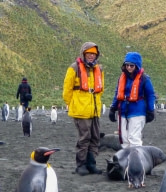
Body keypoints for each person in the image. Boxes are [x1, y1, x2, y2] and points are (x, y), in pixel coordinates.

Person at [63, 42, 104, 176]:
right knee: (84, 138)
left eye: (93, 54)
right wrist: (72, 104)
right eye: (89, 53)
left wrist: (96, 104)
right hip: (81, 110)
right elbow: (67, 90)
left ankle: (91, 164)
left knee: (95, 137)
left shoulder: (99, 69)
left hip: (94, 110)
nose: (91, 56)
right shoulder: (74, 68)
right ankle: (81, 165)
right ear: (83, 54)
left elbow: (101, 89)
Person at [109, 52, 155, 148]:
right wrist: (113, 108)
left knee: (134, 138)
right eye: (127, 65)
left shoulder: (144, 79)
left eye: (132, 65)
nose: (129, 67)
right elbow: (117, 93)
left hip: (137, 111)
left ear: (137, 66)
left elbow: (150, 95)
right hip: (123, 110)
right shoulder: (122, 78)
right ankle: (127, 161)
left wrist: (151, 110)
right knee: (124, 139)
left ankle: (136, 161)